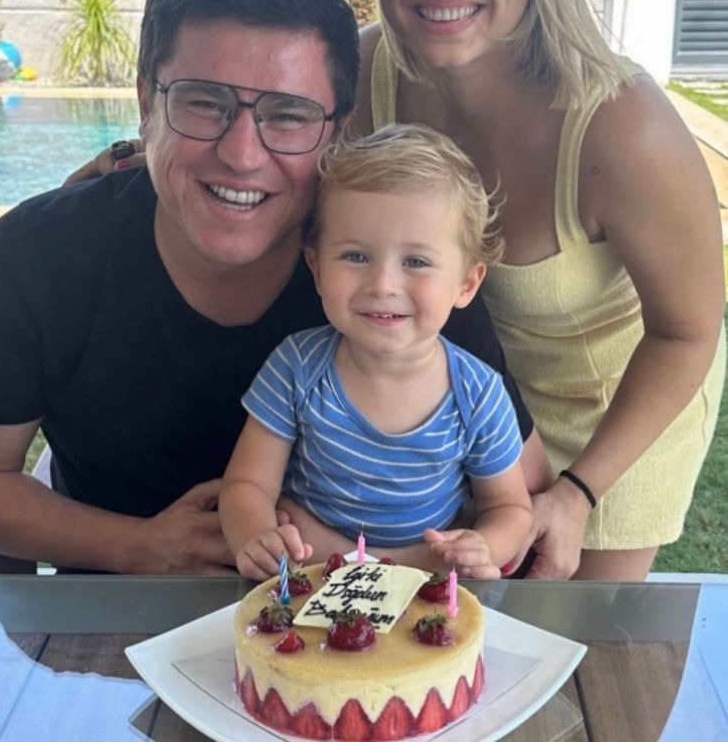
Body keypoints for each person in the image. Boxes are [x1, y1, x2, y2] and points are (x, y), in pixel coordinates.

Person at [0, 0, 546, 574]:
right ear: (147, 106)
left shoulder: (394, 270)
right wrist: (139, 548)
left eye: (289, 114)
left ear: (336, 132)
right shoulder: (40, 256)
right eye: (204, 102)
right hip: (116, 608)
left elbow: (518, 489)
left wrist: (398, 558)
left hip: (349, 620)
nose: (242, 155)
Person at [353, 0, 725, 581]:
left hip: (611, 424)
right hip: (464, 413)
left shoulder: (622, 124)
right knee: (443, 637)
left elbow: (689, 330)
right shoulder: (362, 76)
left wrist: (579, 494)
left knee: (581, 651)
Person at [220, 123, 533, 580]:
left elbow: (509, 508)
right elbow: (246, 484)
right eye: (356, 256)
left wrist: (484, 546)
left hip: (426, 593)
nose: (383, 285)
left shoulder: (479, 394)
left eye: (416, 262)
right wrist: (255, 538)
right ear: (316, 267)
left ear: (466, 283)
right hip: (313, 585)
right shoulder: (296, 367)